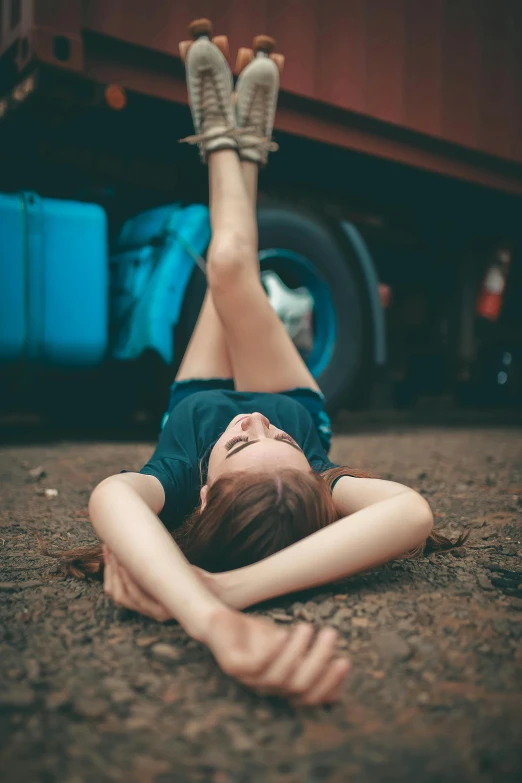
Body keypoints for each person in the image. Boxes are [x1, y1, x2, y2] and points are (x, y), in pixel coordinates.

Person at [52, 24, 463, 705]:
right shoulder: (303, 447)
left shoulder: (179, 480)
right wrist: (232, 594)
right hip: (298, 391)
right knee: (233, 265)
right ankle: (232, 142)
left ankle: (237, 142)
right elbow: (411, 513)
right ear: (313, 473)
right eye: (279, 442)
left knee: (226, 259)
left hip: (193, 392)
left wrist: (210, 611)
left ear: (205, 494)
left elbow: (111, 497)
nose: (255, 420)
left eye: (242, 441)